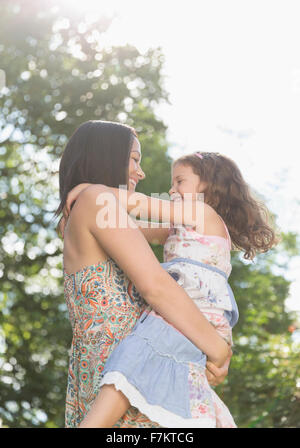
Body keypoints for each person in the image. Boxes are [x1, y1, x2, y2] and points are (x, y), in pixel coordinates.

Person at [62, 148, 279, 428]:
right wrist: (79, 222)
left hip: (195, 311)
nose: (171, 188)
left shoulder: (200, 212)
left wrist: (90, 191)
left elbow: (139, 204)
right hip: (197, 316)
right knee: (165, 375)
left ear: (207, 186)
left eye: (180, 181)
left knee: (135, 357)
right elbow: (132, 228)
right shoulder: (184, 225)